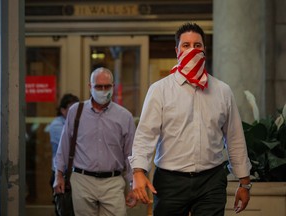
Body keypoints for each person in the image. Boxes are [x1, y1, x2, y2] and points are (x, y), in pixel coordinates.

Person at [128, 22, 252, 216]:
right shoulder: (159, 90)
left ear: (205, 50)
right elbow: (145, 135)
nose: (192, 50)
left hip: (211, 181)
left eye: (197, 46)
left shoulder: (222, 91)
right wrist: (138, 172)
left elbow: (235, 138)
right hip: (170, 182)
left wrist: (245, 182)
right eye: (186, 46)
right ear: (177, 50)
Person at [53, 67, 137, 216]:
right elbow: (64, 146)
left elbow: (130, 154)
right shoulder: (75, 111)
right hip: (82, 180)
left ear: (113, 87)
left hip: (113, 182)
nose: (103, 90)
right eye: (99, 86)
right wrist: (58, 175)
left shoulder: (125, 117)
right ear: (90, 87)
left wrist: (133, 184)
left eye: (107, 86)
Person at [48, 93, 79, 215]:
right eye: (71, 108)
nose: (74, 111)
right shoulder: (56, 124)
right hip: (61, 173)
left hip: (76, 174)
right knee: (64, 209)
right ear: (62, 110)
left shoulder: (78, 124)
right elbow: (73, 143)